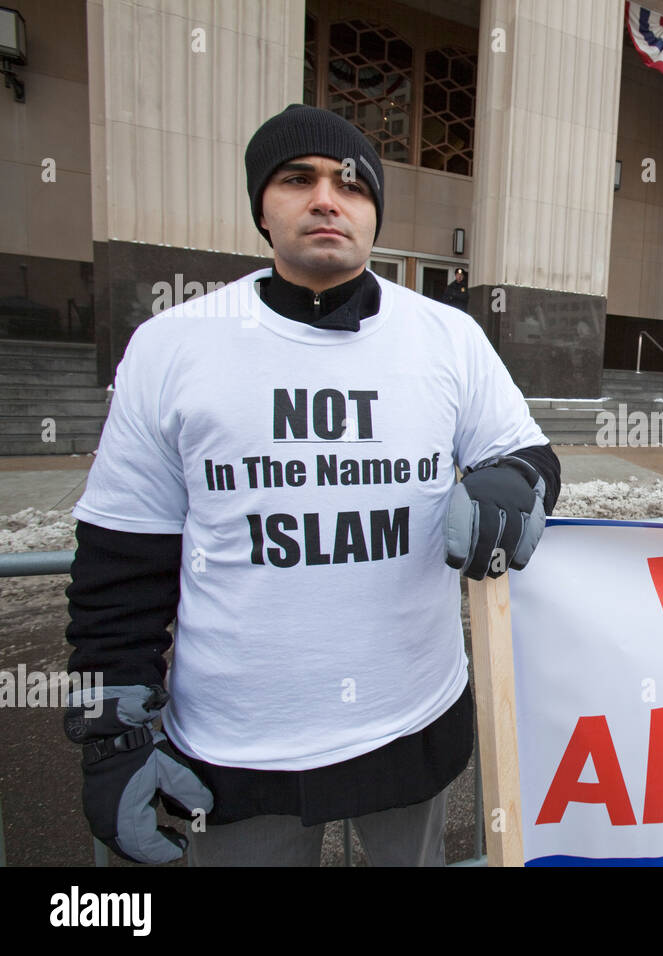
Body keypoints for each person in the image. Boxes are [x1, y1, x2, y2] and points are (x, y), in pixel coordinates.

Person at [62, 104, 561, 866]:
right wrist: (113, 735)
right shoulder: (170, 346)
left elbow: (524, 452)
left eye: (352, 185)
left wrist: (514, 483)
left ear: (373, 213)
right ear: (264, 208)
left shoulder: (447, 336)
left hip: (413, 727)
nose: (328, 198)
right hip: (236, 750)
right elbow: (120, 559)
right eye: (299, 180)